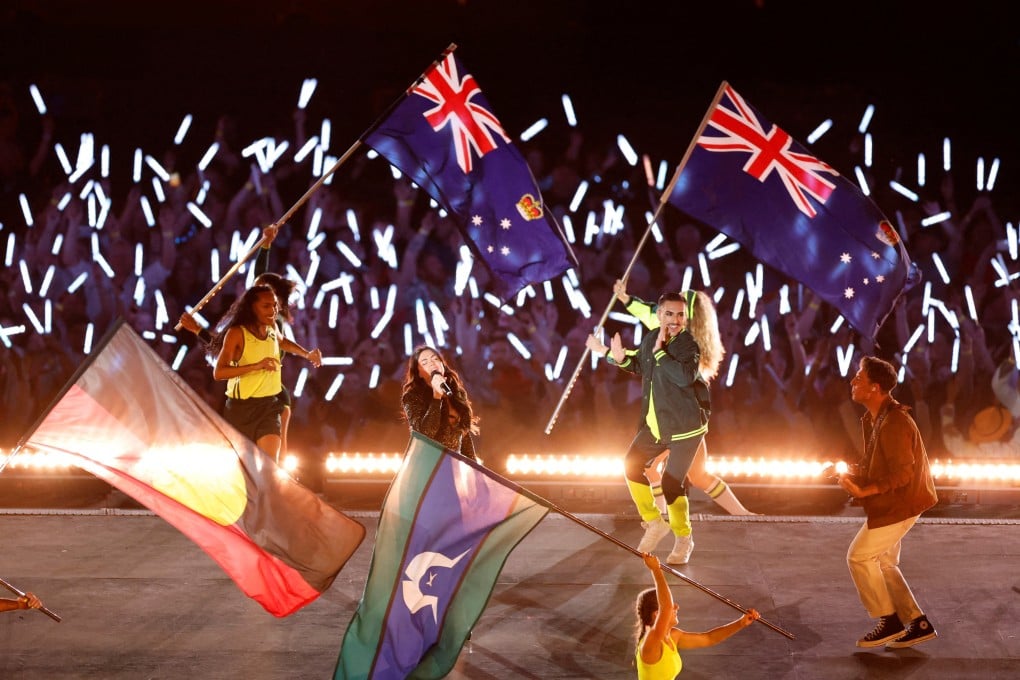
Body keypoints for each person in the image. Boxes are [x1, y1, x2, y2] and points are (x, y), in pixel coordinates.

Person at [585, 286, 719, 565]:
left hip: (686, 428)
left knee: (671, 482)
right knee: (631, 465)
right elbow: (639, 364)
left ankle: (684, 538)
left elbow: (684, 376)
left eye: (680, 315)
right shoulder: (650, 339)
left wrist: (659, 353)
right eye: (669, 314)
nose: (675, 320)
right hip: (657, 425)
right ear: (658, 315)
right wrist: (612, 355)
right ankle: (654, 522)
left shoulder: (688, 345)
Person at [612, 279, 757, 517]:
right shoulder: (694, 341)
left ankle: (659, 518)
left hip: (674, 419)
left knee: (646, 466)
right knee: (698, 474)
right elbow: (651, 314)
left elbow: (650, 318)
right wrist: (626, 299)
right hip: (690, 420)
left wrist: (626, 301)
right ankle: (743, 514)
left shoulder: (679, 340)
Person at [839, 356, 939, 648]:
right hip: (900, 502)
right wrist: (850, 475)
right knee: (883, 562)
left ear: (875, 388)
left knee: (858, 556)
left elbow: (903, 473)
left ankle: (889, 620)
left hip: (902, 504)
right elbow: (878, 467)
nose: (853, 382)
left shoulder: (894, 421)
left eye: (859, 378)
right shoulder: (878, 417)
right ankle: (917, 623)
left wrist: (864, 492)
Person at [209, 284, 321, 460]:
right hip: (240, 409)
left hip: (268, 406)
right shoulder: (237, 333)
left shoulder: (272, 328)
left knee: (269, 466)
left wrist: (307, 354)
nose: (273, 310)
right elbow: (219, 372)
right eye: (266, 306)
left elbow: (282, 342)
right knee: (247, 469)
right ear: (252, 308)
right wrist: (256, 366)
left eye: (275, 305)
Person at [634, 553, 758, 678]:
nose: (676, 606)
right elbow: (666, 607)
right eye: (672, 605)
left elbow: (709, 638)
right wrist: (656, 569)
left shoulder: (673, 636)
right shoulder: (651, 641)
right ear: (657, 614)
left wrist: (741, 623)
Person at [402, 346, 479, 460]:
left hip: (453, 464)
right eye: (425, 362)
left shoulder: (457, 393)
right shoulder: (412, 396)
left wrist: (474, 469)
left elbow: (464, 436)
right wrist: (436, 397)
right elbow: (426, 434)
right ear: (419, 373)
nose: (432, 363)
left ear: (443, 364)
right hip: (427, 465)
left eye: (435, 359)